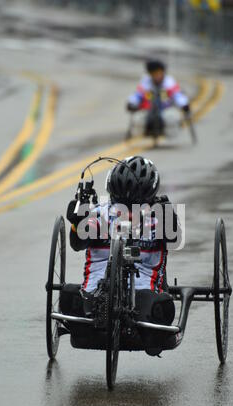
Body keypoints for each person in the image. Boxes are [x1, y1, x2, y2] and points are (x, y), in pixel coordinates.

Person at [66, 156, 180, 354]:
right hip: (96, 291)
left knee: (161, 311)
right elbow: (78, 243)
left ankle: (149, 329)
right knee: (68, 298)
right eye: (121, 205)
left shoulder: (158, 217)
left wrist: (168, 217)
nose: (127, 212)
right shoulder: (100, 215)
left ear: (149, 200)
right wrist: (78, 223)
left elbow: (174, 238)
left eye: (134, 206)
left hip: (145, 292)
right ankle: (90, 322)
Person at [126, 60, 191, 137]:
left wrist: (184, 104)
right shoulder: (145, 83)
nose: (157, 76)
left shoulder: (169, 83)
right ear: (150, 74)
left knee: (172, 118)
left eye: (159, 73)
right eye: (154, 73)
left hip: (166, 109)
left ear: (163, 72)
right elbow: (137, 95)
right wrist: (131, 103)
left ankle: (167, 134)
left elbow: (178, 95)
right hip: (148, 110)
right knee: (137, 119)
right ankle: (143, 133)